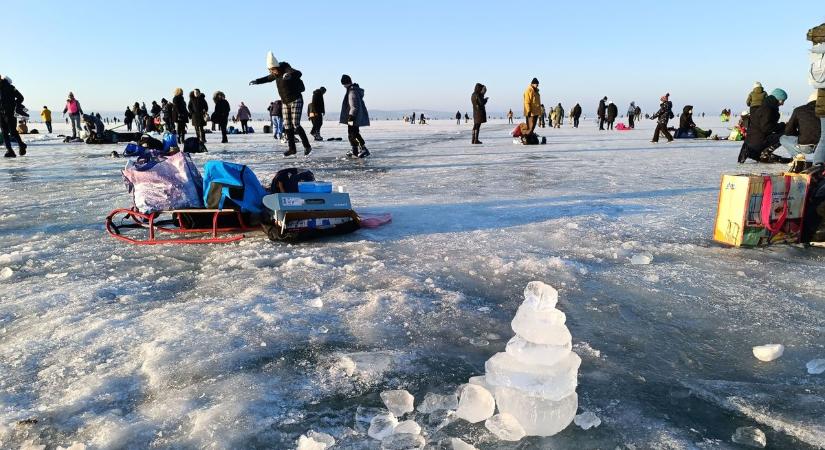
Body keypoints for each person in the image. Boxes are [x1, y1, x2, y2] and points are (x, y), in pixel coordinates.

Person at [249, 51, 311, 156]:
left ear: (276, 67)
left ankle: (307, 146)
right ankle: (292, 149)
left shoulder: (285, 68)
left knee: (295, 124)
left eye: (272, 70)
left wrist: (289, 75)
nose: (272, 72)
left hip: (296, 99)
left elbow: (299, 73)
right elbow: (267, 79)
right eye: (270, 70)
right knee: (287, 125)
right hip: (285, 102)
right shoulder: (274, 74)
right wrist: (257, 81)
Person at [740, 88, 789, 162]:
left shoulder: (765, 106)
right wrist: (782, 125)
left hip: (752, 140)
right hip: (758, 140)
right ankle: (765, 153)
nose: (783, 104)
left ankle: (756, 153)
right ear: (778, 98)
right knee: (786, 133)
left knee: (783, 130)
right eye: (783, 100)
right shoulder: (768, 109)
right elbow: (766, 128)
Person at [779, 92, 820, 160]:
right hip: (821, 146)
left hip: (804, 145)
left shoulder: (798, 110)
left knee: (783, 138)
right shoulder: (822, 111)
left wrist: (799, 135)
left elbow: (788, 131)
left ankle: (798, 156)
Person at [339, 74, 370, 158]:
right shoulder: (352, 90)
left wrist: (351, 117)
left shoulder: (352, 91)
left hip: (353, 117)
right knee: (352, 133)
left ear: (344, 83)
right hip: (355, 116)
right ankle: (354, 149)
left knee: (353, 134)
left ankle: (363, 148)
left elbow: (354, 106)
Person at [0, 76, 26, 157]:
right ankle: (10, 151)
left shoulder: (10, 87)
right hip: (0, 114)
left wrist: (14, 105)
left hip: (10, 113)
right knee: (4, 132)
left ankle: (21, 145)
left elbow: (20, 97)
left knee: (12, 132)